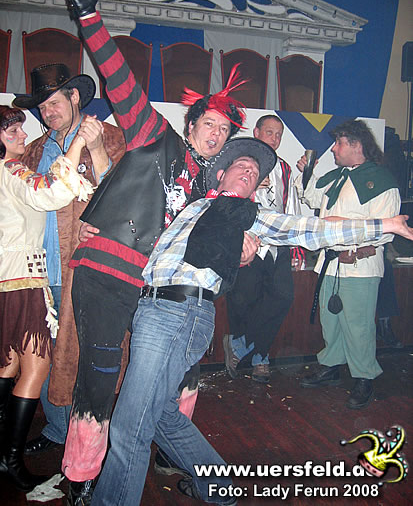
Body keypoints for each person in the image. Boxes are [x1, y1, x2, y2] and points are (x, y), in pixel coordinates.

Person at [90, 136, 413, 506]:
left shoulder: (247, 214)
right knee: (161, 415)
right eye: (242, 166)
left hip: (177, 311)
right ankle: (219, 487)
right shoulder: (193, 206)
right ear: (221, 174)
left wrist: (384, 224)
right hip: (152, 310)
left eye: (255, 173)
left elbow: (312, 229)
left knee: (129, 426)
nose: (249, 172)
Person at [58, 0, 255, 503]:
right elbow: (119, 81)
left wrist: (244, 244)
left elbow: (222, 235)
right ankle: (81, 478)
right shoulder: (155, 135)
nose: (214, 134)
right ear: (191, 124)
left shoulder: (211, 189)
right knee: (99, 379)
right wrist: (89, 16)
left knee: (179, 379)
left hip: (157, 294)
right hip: (108, 274)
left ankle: (172, 455)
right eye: (208, 124)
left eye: (223, 130)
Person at [12, 63, 126, 456]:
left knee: (83, 357)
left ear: (75, 96)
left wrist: (96, 150)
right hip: (36, 272)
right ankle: (59, 430)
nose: (47, 112)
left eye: (54, 103)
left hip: (85, 270)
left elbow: (123, 197)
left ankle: (89, 441)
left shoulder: (111, 137)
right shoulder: (34, 149)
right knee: (43, 355)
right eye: (42, 107)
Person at [0, 105, 93, 492]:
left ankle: (4, 455)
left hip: (8, 280)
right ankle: (9, 460)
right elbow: (50, 193)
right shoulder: (11, 169)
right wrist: (78, 145)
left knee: (8, 367)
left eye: (21, 129)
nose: (23, 135)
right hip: (23, 280)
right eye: (12, 131)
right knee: (36, 369)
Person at [297, 119, 401, 409]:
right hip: (331, 264)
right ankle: (331, 366)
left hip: (359, 265)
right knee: (330, 321)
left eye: (339, 143)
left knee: (358, 325)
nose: (334, 148)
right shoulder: (337, 176)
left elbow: (384, 230)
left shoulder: (382, 181)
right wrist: (306, 173)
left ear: (356, 145)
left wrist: (341, 229)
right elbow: (311, 197)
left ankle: (364, 376)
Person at [224, 114, 305, 383]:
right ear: (257, 132)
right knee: (245, 300)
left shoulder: (284, 168)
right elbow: (223, 199)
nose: (275, 138)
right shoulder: (241, 163)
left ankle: (239, 347)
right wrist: (250, 188)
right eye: (269, 132)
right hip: (248, 243)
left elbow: (291, 206)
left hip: (277, 243)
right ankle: (260, 357)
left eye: (279, 134)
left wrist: (296, 248)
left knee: (283, 297)